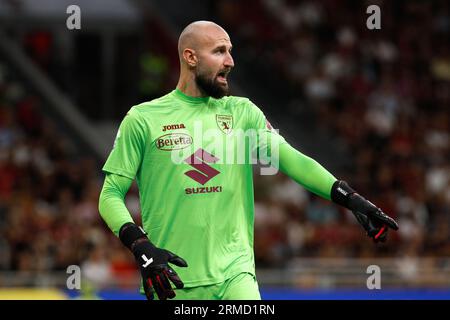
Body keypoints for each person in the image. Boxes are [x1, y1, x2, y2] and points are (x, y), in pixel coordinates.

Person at [98, 21, 398, 300]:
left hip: (236, 275)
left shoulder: (243, 113)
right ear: (190, 57)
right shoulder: (143, 119)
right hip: (171, 277)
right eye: (219, 51)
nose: (230, 61)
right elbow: (110, 194)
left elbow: (290, 159)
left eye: (230, 51)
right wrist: (139, 245)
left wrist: (350, 197)